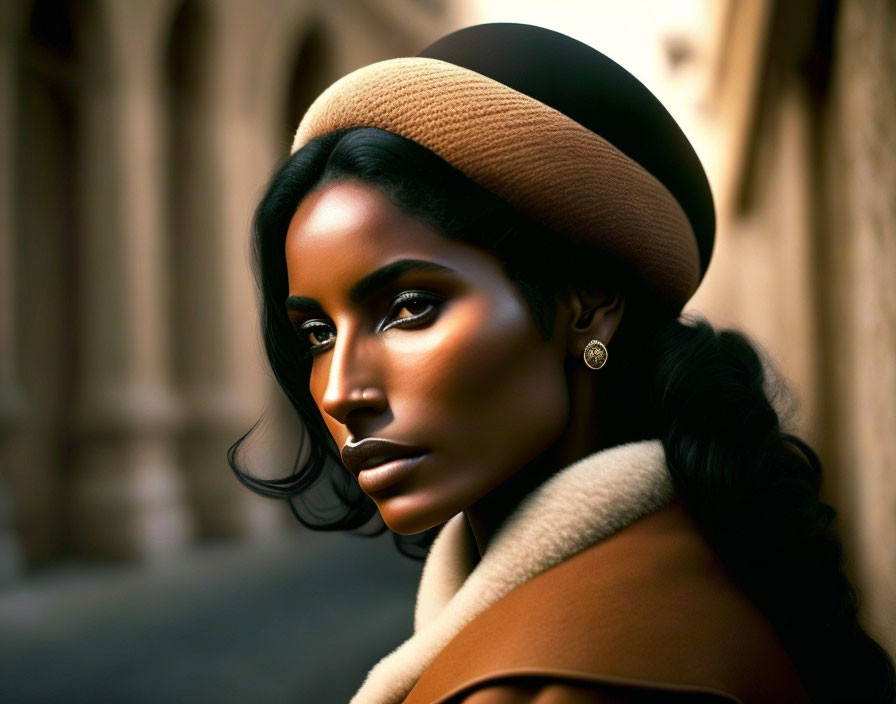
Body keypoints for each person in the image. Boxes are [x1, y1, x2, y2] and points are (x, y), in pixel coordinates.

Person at [229, 23, 896, 704]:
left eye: (408, 308)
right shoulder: (693, 560)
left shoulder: (564, 680)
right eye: (316, 332)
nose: (341, 391)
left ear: (588, 306)